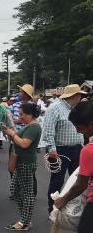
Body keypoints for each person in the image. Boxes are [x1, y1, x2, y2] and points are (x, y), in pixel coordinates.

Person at [54, 100, 93, 233]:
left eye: (81, 128)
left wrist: (63, 199)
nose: (81, 133)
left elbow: (80, 184)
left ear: (90, 124)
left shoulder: (88, 150)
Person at [42, 84, 85, 213]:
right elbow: (48, 130)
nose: (81, 97)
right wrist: (52, 149)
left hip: (77, 148)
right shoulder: (55, 108)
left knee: (76, 180)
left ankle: (72, 208)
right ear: (74, 96)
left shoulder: (76, 108)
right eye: (79, 95)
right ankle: (53, 207)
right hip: (60, 149)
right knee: (57, 180)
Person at [2, 102, 42, 230]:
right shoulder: (30, 125)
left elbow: (24, 144)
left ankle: (24, 221)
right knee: (16, 190)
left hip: (26, 163)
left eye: (22, 114)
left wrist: (12, 133)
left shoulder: (34, 127)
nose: (20, 117)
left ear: (30, 114)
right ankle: (24, 219)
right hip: (21, 162)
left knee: (26, 193)